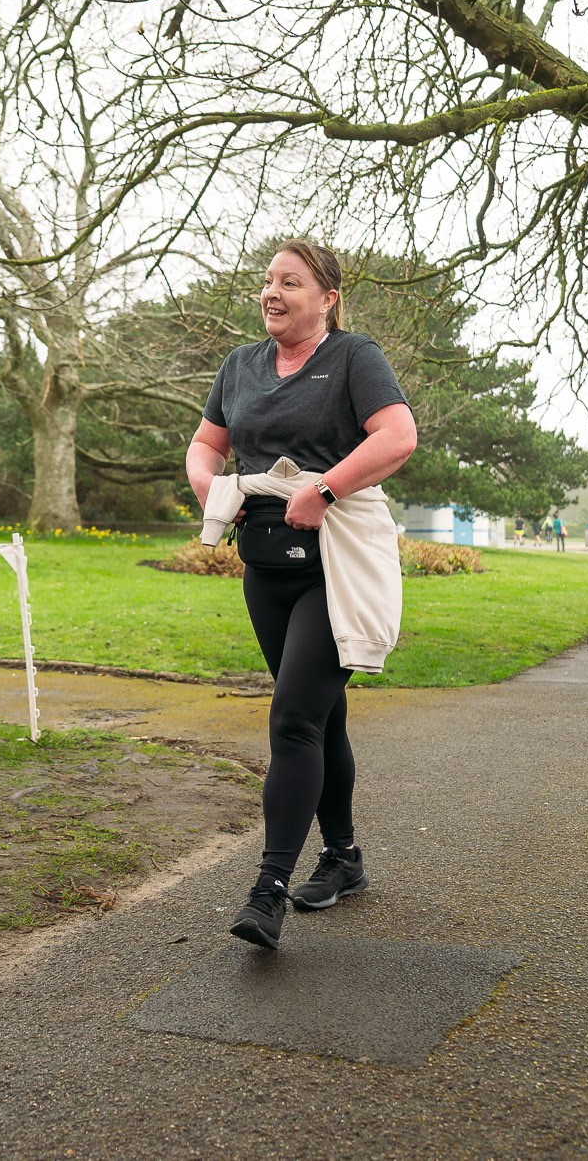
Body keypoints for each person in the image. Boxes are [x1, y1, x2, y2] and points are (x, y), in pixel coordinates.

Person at [186, 239, 416, 948]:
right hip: (264, 563)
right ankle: (344, 857)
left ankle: (269, 888)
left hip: (336, 559)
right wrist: (213, 489)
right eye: (267, 280)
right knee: (321, 717)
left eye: (290, 281)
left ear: (328, 298)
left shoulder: (354, 357)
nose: (272, 292)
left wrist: (324, 486)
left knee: (292, 718)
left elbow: (399, 435)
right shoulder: (240, 365)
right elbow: (205, 444)